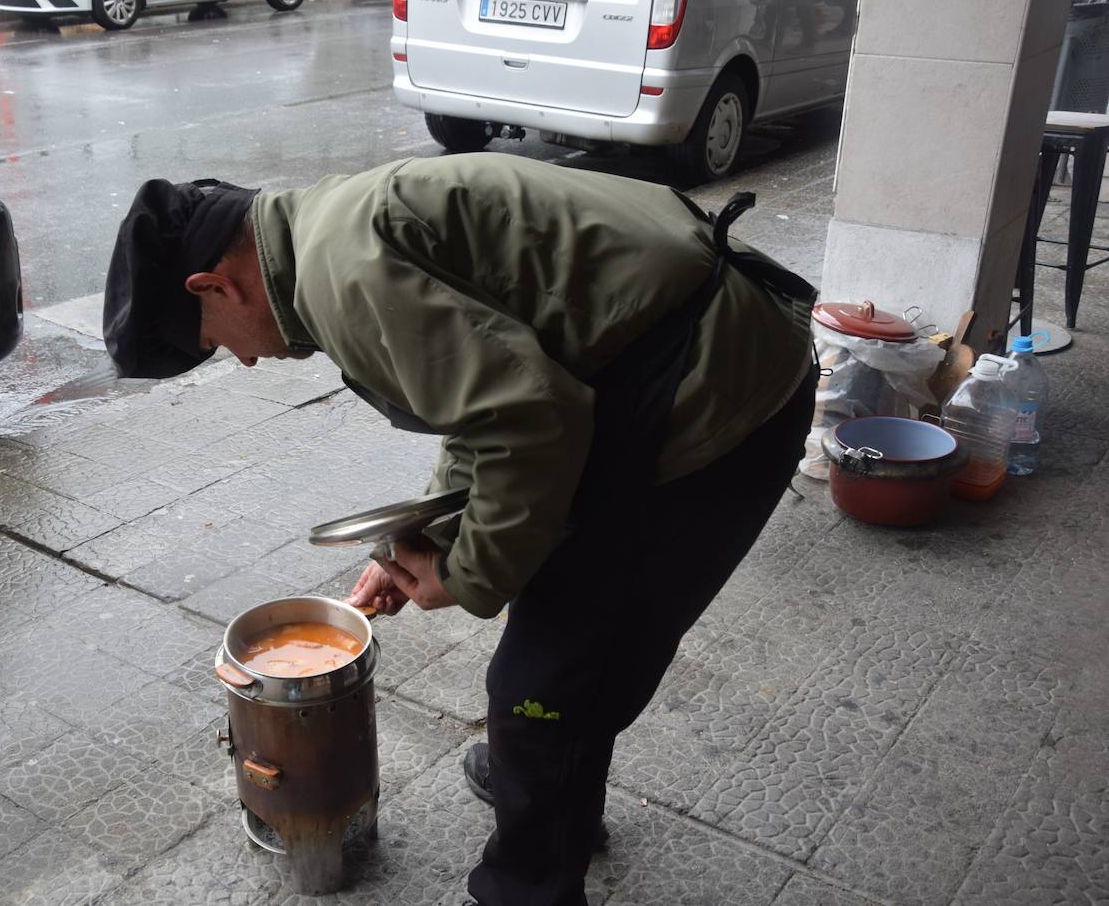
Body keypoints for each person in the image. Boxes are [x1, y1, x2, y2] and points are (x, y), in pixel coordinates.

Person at [103, 153, 817, 906]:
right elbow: (484, 406)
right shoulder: (325, 231)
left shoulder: (343, 279)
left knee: (548, 676)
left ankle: (530, 872)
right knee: (563, 653)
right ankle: (543, 778)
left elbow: (531, 422)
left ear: (212, 285)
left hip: (718, 393)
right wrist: (428, 541)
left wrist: (467, 576)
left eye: (217, 341)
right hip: (677, 359)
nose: (244, 359)